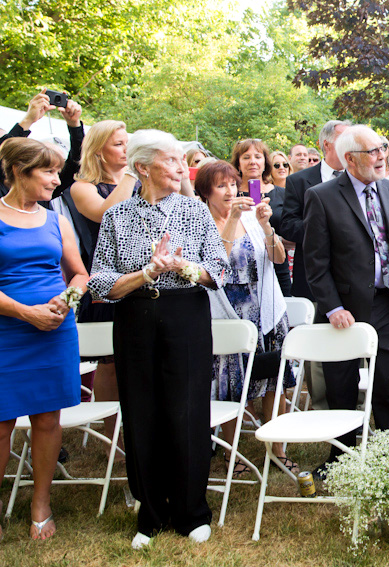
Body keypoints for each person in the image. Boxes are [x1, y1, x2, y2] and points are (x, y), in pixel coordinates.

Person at [88, 129, 230, 548]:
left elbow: (218, 270)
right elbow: (100, 282)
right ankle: (150, 515)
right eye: (170, 160)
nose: (180, 168)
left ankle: (191, 512)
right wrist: (146, 273)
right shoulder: (116, 217)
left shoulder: (195, 211)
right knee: (140, 410)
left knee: (187, 410)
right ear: (143, 167)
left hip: (185, 313)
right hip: (134, 315)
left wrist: (182, 266)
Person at [0, 138, 88, 545]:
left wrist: (65, 303)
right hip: (2, 333)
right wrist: (25, 312)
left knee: (48, 420)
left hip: (54, 331)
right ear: (18, 171)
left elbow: (80, 274)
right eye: (48, 172)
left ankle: (41, 503)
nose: (56, 180)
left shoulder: (57, 221)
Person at [303, 124, 389, 476]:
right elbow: (315, 263)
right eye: (373, 152)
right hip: (344, 309)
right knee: (341, 386)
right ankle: (342, 459)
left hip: (386, 303)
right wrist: (333, 307)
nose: (381, 156)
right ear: (349, 159)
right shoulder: (322, 197)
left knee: (387, 382)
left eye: (383, 147)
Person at [194, 160, 298, 475]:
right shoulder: (200, 223)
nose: (229, 191)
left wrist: (266, 227)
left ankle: (277, 448)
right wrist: (233, 219)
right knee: (231, 384)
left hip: (264, 307)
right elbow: (217, 265)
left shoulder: (253, 217)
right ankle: (233, 453)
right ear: (205, 192)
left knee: (273, 382)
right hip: (227, 313)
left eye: (232, 184)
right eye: (220, 185)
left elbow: (278, 257)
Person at [69, 120, 137, 450]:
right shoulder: (83, 186)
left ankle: (142, 429)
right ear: (99, 151)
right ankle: (113, 441)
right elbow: (107, 213)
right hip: (106, 282)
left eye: (128, 143)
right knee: (109, 365)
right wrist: (132, 176)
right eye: (119, 144)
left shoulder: (139, 180)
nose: (126, 149)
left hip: (143, 278)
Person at [279, 121, 351, 411]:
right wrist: (323, 226)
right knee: (319, 342)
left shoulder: (357, 178)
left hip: (350, 274)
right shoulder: (300, 180)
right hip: (313, 275)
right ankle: (321, 406)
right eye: (346, 142)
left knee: (350, 337)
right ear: (327, 145)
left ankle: (354, 402)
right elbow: (288, 225)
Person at [0, 89, 84, 211]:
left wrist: (74, 125)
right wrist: (28, 120)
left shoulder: (34, 181)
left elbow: (75, 165)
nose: (7, 150)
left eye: (13, 145)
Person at [232, 139, 291, 297]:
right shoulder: (230, 195)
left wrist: (275, 238)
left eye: (257, 157)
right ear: (238, 164)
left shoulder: (283, 194)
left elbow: (294, 234)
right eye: (246, 157)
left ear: (265, 163)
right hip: (241, 271)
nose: (252, 162)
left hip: (278, 266)